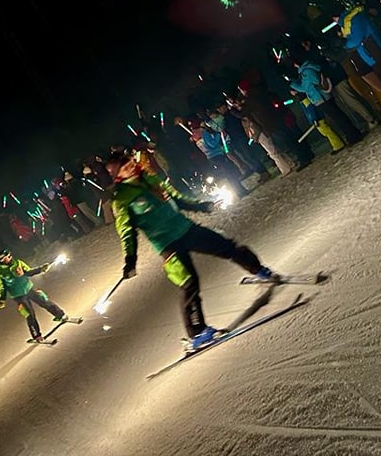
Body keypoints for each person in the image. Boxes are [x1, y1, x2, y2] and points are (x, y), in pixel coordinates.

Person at [105, 148, 280, 352]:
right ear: (118, 175)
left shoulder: (150, 178)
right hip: (167, 244)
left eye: (130, 163)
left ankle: (259, 270)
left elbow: (177, 198)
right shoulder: (121, 199)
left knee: (227, 246)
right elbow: (127, 232)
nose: (131, 167)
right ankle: (198, 333)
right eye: (125, 168)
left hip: (186, 229)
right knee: (189, 284)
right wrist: (130, 259)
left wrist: (200, 206)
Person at [0, 249, 68, 342]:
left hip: (29, 288)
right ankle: (36, 335)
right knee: (30, 314)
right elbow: (1, 287)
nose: (8, 259)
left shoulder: (18, 263)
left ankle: (60, 315)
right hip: (18, 296)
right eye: (4, 258)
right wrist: (2, 300)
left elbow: (29, 272)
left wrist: (40, 269)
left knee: (44, 301)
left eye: (8, 256)